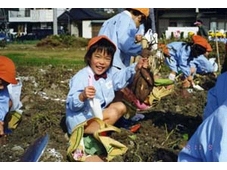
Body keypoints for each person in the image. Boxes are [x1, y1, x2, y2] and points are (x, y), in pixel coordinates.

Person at [65, 35, 148, 161]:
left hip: (98, 116)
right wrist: (82, 96)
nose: (102, 62)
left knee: (120, 104)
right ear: (89, 57)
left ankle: (104, 133)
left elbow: (121, 78)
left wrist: (135, 67)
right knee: (114, 111)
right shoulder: (81, 77)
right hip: (81, 121)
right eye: (97, 57)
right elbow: (71, 104)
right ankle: (90, 139)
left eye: (107, 58)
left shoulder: (109, 74)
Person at [0, 56, 23, 137]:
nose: (2, 87)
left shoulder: (3, 90)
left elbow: (2, 104)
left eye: (6, 83)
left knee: (10, 103)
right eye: (0, 83)